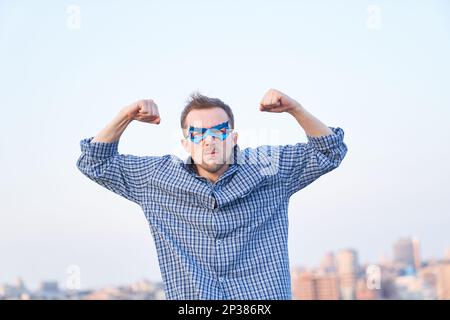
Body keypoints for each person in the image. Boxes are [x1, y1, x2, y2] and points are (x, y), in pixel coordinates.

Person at [76, 88, 348, 299]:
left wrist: (295, 109)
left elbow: (329, 152)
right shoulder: (157, 178)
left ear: (233, 137)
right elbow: (95, 163)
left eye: (219, 131)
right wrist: (125, 116)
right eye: (197, 134)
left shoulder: (268, 167)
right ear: (185, 143)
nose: (209, 140)